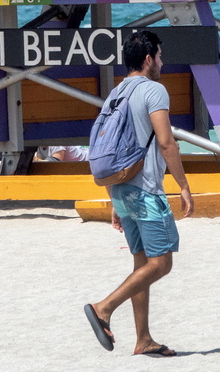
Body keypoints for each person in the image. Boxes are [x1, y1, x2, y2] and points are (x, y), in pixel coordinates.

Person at [83, 30, 193, 357]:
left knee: (141, 263)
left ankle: (143, 339)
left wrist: (116, 199)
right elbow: (166, 141)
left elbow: (113, 145)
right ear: (148, 59)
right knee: (162, 264)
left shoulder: (116, 92)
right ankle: (103, 308)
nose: (161, 62)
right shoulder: (153, 90)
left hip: (121, 188)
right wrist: (184, 186)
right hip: (145, 190)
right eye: (159, 56)